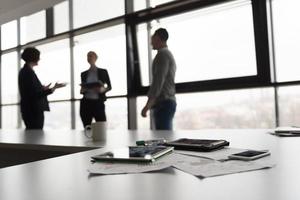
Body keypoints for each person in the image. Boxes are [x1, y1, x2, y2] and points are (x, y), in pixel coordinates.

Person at [18, 47, 66, 129]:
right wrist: (53, 88)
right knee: (35, 136)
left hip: (30, 110)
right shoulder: (28, 72)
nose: (39, 59)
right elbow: (34, 95)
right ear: (33, 57)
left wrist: (42, 88)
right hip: (33, 111)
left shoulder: (26, 71)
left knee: (33, 136)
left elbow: (31, 91)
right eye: (38, 56)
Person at [141, 28, 177, 130]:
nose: (150, 42)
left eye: (152, 38)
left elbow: (158, 81)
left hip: (164, 102)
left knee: (164, 140)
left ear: (157, 38)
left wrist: (147, 106)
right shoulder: (166, 54)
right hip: (166, 102)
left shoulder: (162, 55)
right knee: (164, 139)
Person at [80, 51, 112, 128]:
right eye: (88, 56)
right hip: (86, 103)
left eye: (91, 56)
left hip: (98, 102)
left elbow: (109, 86)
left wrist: (102, 90)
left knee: (101, 126)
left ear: (96, 58)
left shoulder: (103, 71)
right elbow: (83, 88)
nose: (89, 58)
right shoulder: (83, 74)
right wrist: (82, 90)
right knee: (87, 127)